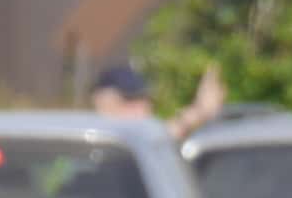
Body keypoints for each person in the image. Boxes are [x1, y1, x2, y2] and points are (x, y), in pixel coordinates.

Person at [87, 55, 227, 143]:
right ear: (102, 105)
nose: (144, 109)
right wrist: (198, 113)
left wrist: (199, 113)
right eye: (130, 101)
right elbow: (158, 137)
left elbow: (159, 137)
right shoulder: (89, 143)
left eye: (145, 100)